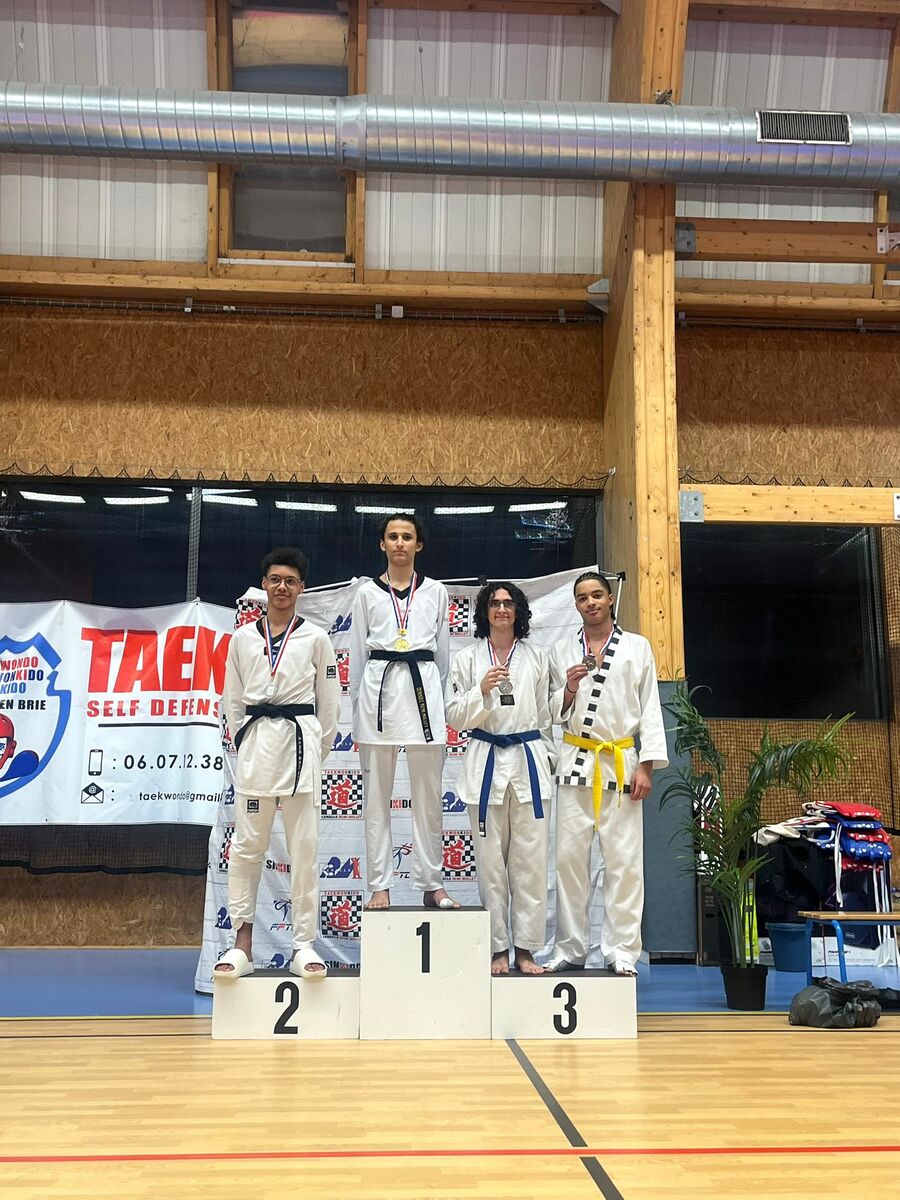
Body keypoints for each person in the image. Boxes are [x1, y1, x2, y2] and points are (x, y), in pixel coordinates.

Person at [214, 547, 340, 980]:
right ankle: (242, 943)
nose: (282, 587)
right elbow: (232, 701)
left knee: (304, 851)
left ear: (301, 588)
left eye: (290, 581)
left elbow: (330, 705)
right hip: (256, 751)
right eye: (274, 579)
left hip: (300, 750)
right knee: (247, 848)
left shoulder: (316, 638)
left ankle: (303, 944)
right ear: (264, 585)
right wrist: (245, 740)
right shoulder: (242, 639)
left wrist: (317, 750)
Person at [544, 571, 668, 977]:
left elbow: (650, 708)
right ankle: (570, 947)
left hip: (620, 765)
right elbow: (550, 713)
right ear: (576, 605)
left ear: (610, 599)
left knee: (624, 863)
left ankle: (622, 950)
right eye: (583, 597)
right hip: (575, 762)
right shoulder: (561, 649)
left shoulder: (637, 647)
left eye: (597, 595)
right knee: (568, 863)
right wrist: (568, 690)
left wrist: (646, 765)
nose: (591, 602)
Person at [445, 582, 554, 975]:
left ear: (518, 611)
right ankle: (497, 949)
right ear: (485, 611)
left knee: (530, 864)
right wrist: (482, 691)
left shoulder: (537, 657)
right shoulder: (467, 659)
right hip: (486, 761)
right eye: (495, 603)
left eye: (509, 603)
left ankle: (526, 949)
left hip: (528, 763)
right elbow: (454, 716)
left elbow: (545, 717)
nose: (502, 609)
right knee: (491, 866)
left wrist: (548, 759)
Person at [350, 513, 457, 911]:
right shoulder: (366, 593)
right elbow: (357, 655)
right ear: (382, 544)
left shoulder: (436, 592)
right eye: (392, 536)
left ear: (418, 545)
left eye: (407, 537)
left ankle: (432, 883)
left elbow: (443, 657)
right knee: (376, 800)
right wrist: (359, 709)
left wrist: (439, 703)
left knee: (428, 799)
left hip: (423, 694)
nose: (399, 543)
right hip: (378, 695)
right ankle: (379, 885)